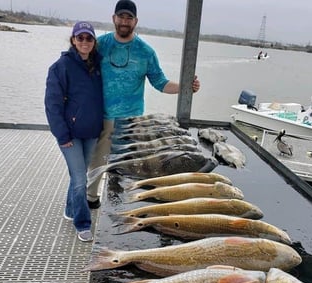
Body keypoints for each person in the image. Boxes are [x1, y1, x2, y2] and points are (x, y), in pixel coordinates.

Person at [87, 0, 201, 208]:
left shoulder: (146, 52)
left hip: (132, 122)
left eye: (128, 18)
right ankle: (91, 199)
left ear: (135, 21)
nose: (124, 21)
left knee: (127, 165)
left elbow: (160, 82)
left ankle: (119, 204)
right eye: (121, 16)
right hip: (102, 117)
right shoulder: (100, 45)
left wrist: (186, 86)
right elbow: (80, 67)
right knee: (97, 159)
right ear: (113, 18)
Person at [45, 21, 104, 242]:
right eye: (80, 38)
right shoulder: (61, 66)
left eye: (89, 38)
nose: (85, 42)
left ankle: (70, 211)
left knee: (78, 175)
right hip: (69, 135)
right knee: (80, 179)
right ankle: (82, 223)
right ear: (73, 40)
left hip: (91, 132)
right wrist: (62, 135)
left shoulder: (98, 65)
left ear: (94, 42)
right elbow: (52, 105)